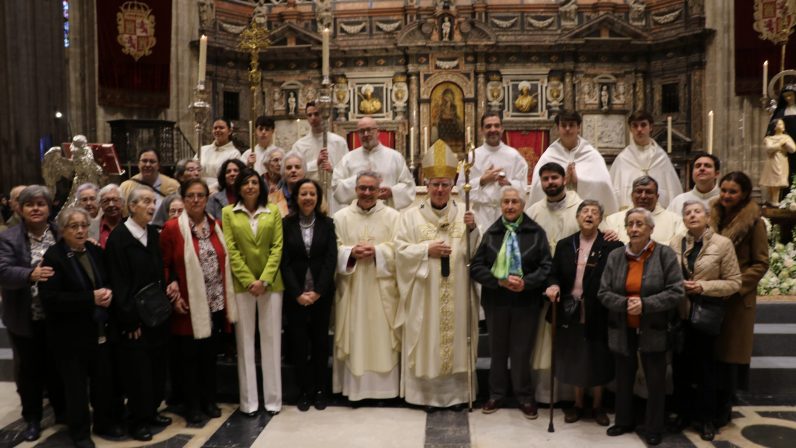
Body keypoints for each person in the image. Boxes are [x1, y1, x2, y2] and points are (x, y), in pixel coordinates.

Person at [395, 143, 479, 410]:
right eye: (435, 185)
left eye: (444, 184)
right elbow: (399, 251)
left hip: (458, 295)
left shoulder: (465, 217)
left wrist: (474, 230)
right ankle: (426, 396)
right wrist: (425, 250)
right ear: (426, 184)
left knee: (456, 342)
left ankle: (457, 396)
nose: (440, 190)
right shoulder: (409, 218)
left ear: (453, 184)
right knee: (427, 342)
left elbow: (478, 254)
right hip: (424, 294)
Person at [39, 207, 124, 447]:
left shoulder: (95, 251)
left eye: (83, 225)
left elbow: (107, 280)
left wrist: (108, 292)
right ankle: (79, 433)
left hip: (99, 331)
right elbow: (51, 299)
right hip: (70, 337)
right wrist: (90, 298)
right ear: (63, 230)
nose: (79, 230)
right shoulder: (54, 257)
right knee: (76, 389)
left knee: (102, 382)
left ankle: (104, 423)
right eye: (73, 226)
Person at [598, 207, 684, 446]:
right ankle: (623, 421)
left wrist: (645, 305)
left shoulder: (665, 255)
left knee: (655, 380)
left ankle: (654, 426)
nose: (634, 229)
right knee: (623, 377)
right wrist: (625, 304)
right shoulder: (616, 256)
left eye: (640, 224)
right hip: (622, 325)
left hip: (654, 326)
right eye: (630, 224)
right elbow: (603, 292)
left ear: (651, 229)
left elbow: (676, 291)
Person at [470, 186, 551, 419]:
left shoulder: (536, 233)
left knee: (521, 351)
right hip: (497, 300)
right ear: (500, 205)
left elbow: (546, 266)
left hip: (526, 301)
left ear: (522, 205)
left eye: (515, 202)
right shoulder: (492, 233)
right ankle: (496, 394)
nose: (510, 206)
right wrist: (499, 281)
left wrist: (527, 283)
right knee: (497, 350)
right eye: (506, 202)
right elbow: (476, 267)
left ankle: (524, 396)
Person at [160, 179, 238, 423]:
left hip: (215, 301)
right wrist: (173, 293)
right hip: (188, 303)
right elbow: (163, 266)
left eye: (201, 195)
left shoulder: (216, 225)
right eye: (191, 195)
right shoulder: (173, 228)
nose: (196, 200)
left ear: (207, 199)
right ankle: (192, 405)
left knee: (208, 356)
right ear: (183, 199)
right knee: (189, 359)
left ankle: (209, 400)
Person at [545, 200, 622, 427]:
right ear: (577, 217)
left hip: (599, 309)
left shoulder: (612, 245)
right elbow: (553, 273)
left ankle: (597, 405)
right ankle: (578, 404)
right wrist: (553, 286)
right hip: (571, 309)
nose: (589, 215)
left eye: (594, 212)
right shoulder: (564, 244)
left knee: (598, 356)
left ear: (600, 219)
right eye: (585, 212)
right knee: (576, 355)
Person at [669, 200, 741, 441]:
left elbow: (733, 282)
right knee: (680, 369)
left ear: (708, 216)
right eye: (687, 212)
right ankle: (682, 414)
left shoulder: (723, 244)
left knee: (705, 371)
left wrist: (702, 286)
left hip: (706, 316)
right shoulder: (676, 242)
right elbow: (668, 275)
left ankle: (706, 418)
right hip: (680, 314)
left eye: (697, 211)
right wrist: (678, 285)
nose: (692, 215)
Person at [105, 187, 173, 441]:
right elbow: (119, 283)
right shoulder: (119, 239)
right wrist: (130, 319)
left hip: (155, 315)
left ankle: (152, 411)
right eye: (146, 201)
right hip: (134, 320)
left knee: (156, 369)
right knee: (138, 374)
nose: (151, 206)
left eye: (153, 202)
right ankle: (137, 420)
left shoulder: (152, 235)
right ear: (131, 207)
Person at [0, 185, 65, 441]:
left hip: (58, 317)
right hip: (25, 318)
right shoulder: (9, 238)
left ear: (50, 208)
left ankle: (62, 412)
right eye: (30, 204)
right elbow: (3, 271)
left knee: (58, 368)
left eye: (41, 204)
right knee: (30, 373)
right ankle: (33, 419)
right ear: (20, 208)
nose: (36, 208)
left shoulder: (61, 233)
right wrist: (30, 274)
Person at [332, 171, 401, 401]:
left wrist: (378, 252)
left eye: (372, 189)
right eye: (363, 188)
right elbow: (333, 249)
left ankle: (385, 390)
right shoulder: (341, 217)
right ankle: (355, 390)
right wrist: (349, 252)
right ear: (355, 189)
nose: (367, 193)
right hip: (353, 289)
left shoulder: (393, 216)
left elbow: (400, 249)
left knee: (382, 337)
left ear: (380, 190)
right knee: (355, 333)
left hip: (382, 289)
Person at [709, 172, 769, 427]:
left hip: (736, 300)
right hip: (711, 296)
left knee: (730, 356)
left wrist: (734, 285)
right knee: (711, 355)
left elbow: (761, 263)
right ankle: (708, 404)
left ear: (744, 194)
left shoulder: (754, 223)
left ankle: (725, 408)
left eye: (732, 191)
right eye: (723, 190)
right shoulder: (713, 218)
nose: (726, 196)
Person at [222, 168, 284, 417]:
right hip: (242, 285)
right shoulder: (229, 213)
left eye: (254, 182)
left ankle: (273, 400)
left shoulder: (274, 210)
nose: (250, 187)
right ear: (238, 187)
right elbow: (231, 248)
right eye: (245, 183)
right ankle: (249, 402)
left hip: (271, 285)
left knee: (271, 342)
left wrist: (265, 280)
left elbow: (278, 247)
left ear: (261, 187)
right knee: (245, 343)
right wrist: (249, 281)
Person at [281, 178, 337, 411]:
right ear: (296, 198)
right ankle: (304, 390)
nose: (308, 198)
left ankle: (320, 390)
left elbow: (330, 259)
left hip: (321, 295)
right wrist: (297, 293)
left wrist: (318, 291)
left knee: (321, 343)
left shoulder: (327, 224)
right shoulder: (286, 224)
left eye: (312, 194)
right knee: (299, 344)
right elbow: (283, 261)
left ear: (318, 197)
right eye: (303, 193)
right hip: (295, 295)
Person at [530, 110, 618, 214]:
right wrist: (561, 182)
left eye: (571, 125)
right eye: (564, 125)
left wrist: (579, 181)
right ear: (558, 128)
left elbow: (604, 184)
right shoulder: (548, 156)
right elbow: (537, 186)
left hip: (586, 215)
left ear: (579, 128)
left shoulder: (592, 154)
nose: (567, 129)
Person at [456, 112, 528, 231]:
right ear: (481, 130)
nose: (493, 129)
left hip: (508, 214)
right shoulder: (472, 157)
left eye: (496, 125)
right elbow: (461, 189)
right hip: (481, 216)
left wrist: (508, 183)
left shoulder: (514, 156)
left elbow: (523, 188)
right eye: (488, 126)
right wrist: (482, 180)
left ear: (502, 129)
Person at [332, 117, 416, 210]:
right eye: (361, 131)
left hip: (386, 213)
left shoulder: (395, 157)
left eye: (369, 130)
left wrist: (392, 192)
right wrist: (358, 181)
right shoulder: (348, 159)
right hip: (357, 215)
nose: (365, 134)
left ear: (377, 131)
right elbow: (336, 187)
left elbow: (409, 186)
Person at [609, 111, 682, 210]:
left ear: (650, 127)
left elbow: (672, 191)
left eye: (643, 125)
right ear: (630, 129)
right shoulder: (623, 159)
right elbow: (614, 192)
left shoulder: (661, 158)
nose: (639, 129)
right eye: (635, 126)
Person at [291, 102, 348, 211]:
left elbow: (347, 172)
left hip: (333, 195)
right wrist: (315, 163)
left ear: (325, 115)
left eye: (317, 114)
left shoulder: (339, 142)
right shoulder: (300, 145)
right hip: (310, 195)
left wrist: (332, 170)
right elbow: (295, 174)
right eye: (309, 115)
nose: (313, 118)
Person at [603, 176, 684, 245]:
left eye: (648, 192)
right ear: (632, 195)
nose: (643, 196)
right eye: (639, 192)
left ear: (657, 196)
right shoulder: (612, 220)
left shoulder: (676, 221)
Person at [525, 162, 582, 254]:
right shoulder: (532, 212)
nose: (550, 182)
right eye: (545, 179)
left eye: (554, 177)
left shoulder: (582, 209)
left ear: (564, 180)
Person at [119, 148, 180, 217]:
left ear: (158, 165)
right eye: (144, 161)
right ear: (138, 164)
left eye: (152, 161)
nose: (148, 165)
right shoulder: (126, 187)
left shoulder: (173, 186)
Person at [152, 159, 202, 227]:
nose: (196, 173)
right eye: (191, 170)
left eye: (198, 170)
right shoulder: (169, 200)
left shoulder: (206, 198)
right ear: (181, 176)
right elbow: (157, 226)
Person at [198, 118, 241, 191]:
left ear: (230, 131)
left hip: (220, 190)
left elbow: (231, 176)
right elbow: (194, 169)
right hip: (199, 188)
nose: (217, 130)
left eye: (221, 128)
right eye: (215, 128)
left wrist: (210, 189)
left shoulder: (234, 153)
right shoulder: (203, 149)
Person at [761, 118, 796, 205]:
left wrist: (785, 143)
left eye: (782, 124)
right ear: (774, 127)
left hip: (781, 161)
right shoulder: (769, 138)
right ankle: (771, 200)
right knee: (771, 182)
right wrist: (780, 144)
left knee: (778, 180)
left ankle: (775, 200)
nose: (782, 126)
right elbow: (769, 149)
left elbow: (793, 149)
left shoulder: (786, 137)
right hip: (772, 161)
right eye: (780, 124)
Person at [88, 184, 124, 248]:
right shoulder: (89, 228)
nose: (111, 205)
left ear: (122, 202)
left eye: (115, 200)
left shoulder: (132, 226)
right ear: (100, 204)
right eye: (106, 201)